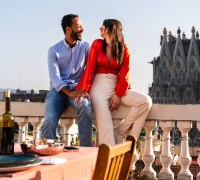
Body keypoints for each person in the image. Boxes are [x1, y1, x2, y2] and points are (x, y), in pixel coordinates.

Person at [76, 19, 152, 149]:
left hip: (117, 86)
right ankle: (109, 163)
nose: (100, 28)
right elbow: (89, 69)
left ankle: (123, 135)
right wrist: (83, 90)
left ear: (111, 30)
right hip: (98, 89)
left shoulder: (124, 49)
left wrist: (118, 94)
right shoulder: (97, 44)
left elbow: (125, 73)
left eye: (103, 26)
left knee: (145, 101)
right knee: (106, 128)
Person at [40, 14, 92, 146]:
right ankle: (46, 153)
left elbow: (91, 70)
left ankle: (85, 151)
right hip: (58, 91)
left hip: (78, 88)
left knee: (85, 107)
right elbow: (54, 76)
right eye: (79, 26)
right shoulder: (53, 50)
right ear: (68, 29)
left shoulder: (86, 47)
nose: (82, 29)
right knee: (49, 120)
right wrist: (69, 92)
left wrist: (84, 89)